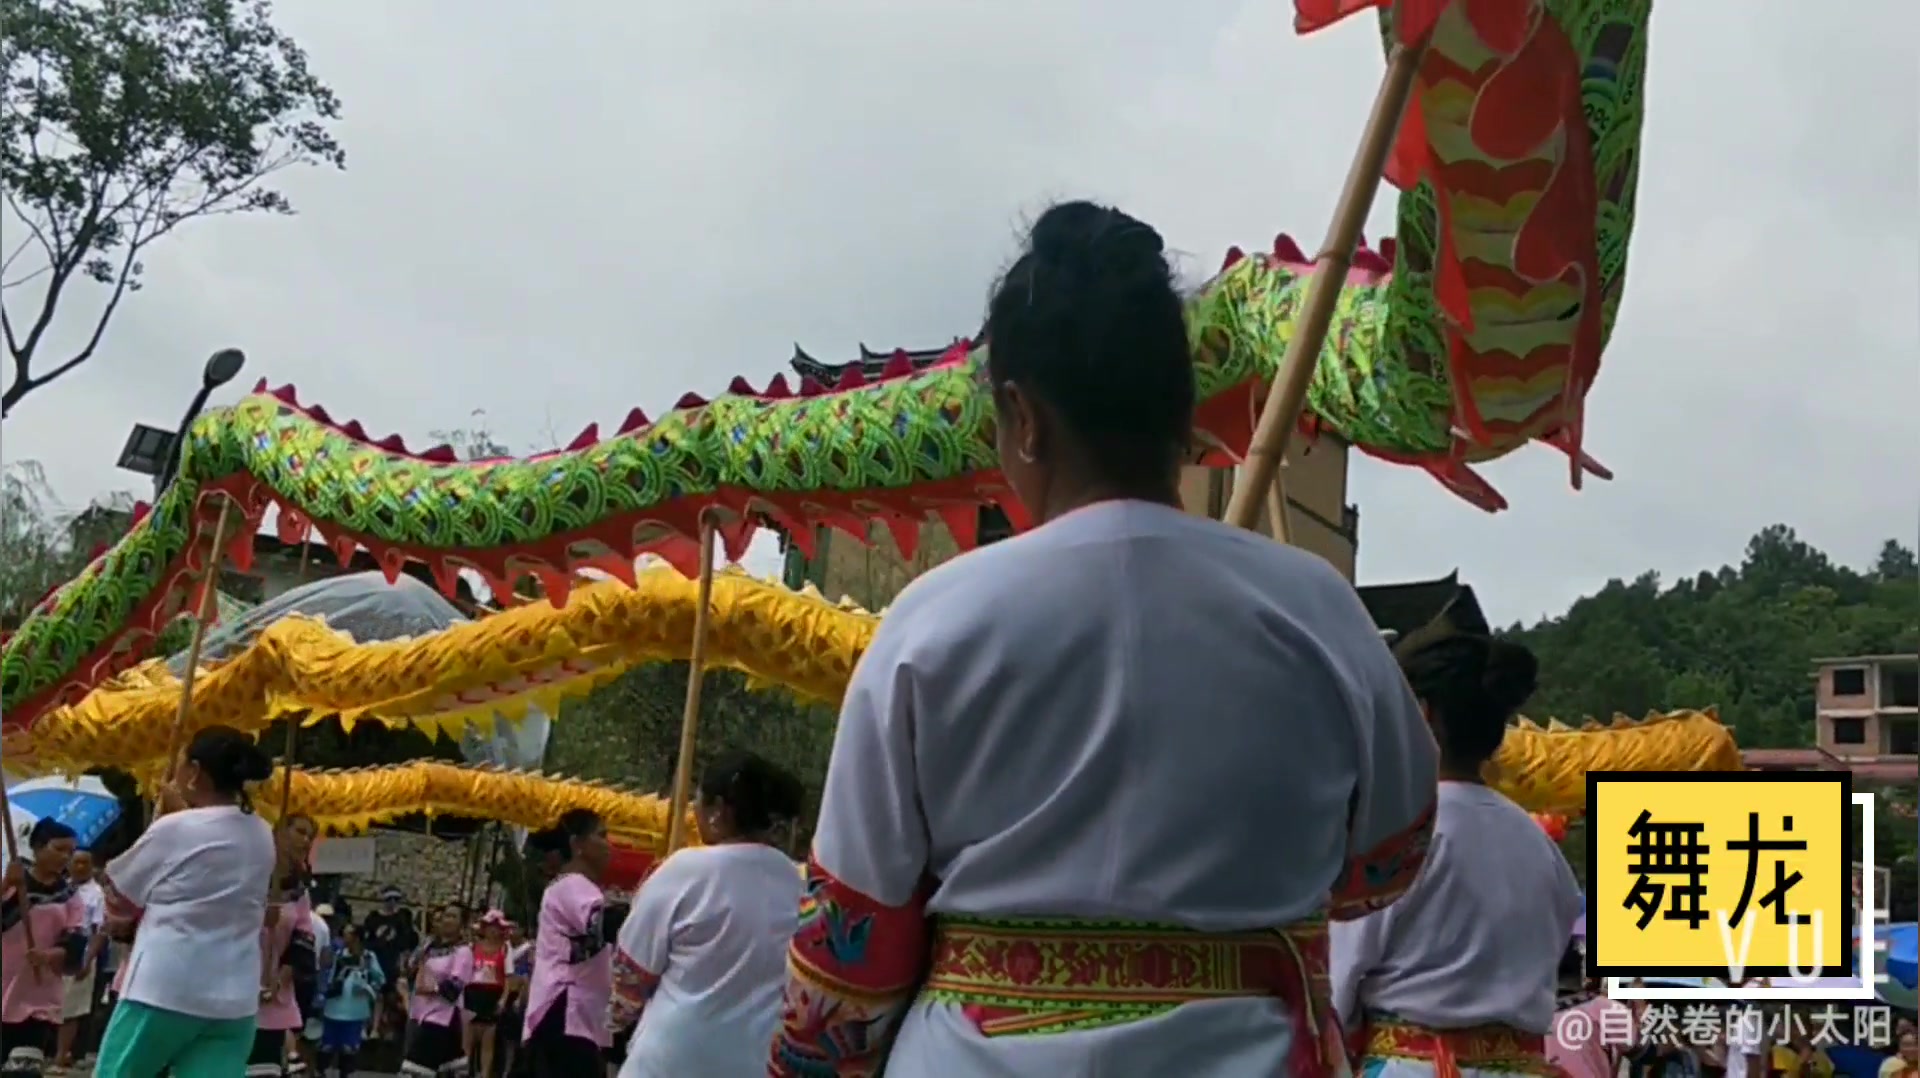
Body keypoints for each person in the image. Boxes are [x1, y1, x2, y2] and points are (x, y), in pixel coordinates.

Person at [765, 201, 1439, 1076]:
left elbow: (851, 950)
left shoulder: (932, 624)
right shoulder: (1319, 608)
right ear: (1182, 407)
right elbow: (1389, 859)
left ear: (1023, 414)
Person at [1330, 625, 1580, 1078]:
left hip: (1415, 1066)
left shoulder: (1400, 831)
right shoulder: (1541, 846)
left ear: (1421, 716)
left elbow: (1337, 983)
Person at [92, 724, 279, 1077]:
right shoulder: (263, 833)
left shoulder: (175, 829)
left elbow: (120, 894)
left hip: (165, 985)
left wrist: (168, 819)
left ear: (194, 772)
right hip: (234, 995)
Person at [610, 751, 806, 1076]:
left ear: (719, 810)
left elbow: (630, 981)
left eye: (697, 800)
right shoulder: (800, 888)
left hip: (671, 1060)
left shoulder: (684, 871)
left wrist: (616, 1019)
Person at [522, 810, 614, 1076]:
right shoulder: (572, 885)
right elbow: (604, 922)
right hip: (565, 1012)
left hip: (572, 1017)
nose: (609, 845)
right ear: (577, 845)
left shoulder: (575, 888)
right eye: (602, 836)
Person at [2, 819, 86, 1076]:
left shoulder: (70, 896)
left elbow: (76, 941)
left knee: (23, 1071)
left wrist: (49, 956)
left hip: (39, 994)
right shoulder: (15, 885)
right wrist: (7, 884)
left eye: (70, 852)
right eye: (59, 849)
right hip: (5, 982)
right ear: (37, 848)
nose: (65, 857)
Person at [250, 815, 318, 1077]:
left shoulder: (300, 892)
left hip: (271, 996)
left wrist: (282, 974)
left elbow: (303, 939)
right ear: (279, 831)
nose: (305, 840)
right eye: (299, 831)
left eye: (309, 835)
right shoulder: (248, 873)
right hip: (233, 985)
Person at [399, 905, 471, 1078]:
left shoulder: (463, 952)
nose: (447, 920)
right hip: (420, 1013)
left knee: (414, 1069)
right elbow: (409, 970)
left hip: (442, 1017)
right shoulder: (429, 947)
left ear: (462, 924)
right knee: (450, 1069)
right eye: (445, 916)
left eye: (453, 917)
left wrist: (434, 986)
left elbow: (454, 990)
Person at [52, 848, 107, 1073]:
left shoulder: (96, 894)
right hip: (55, 947)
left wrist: (88, 959)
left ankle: (61, 1055)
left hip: (80, 948)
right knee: (51, 1003)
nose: (81, 867)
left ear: (92, 866)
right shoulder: (60, 888)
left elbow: (99, 931)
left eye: (86, 863)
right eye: (77, 862)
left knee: (71, 1008)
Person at [318, 925, 384, 1078]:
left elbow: (379, 979)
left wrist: (368, 986)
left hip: (356, 1010)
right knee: (326, 1046)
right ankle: (321, 1070)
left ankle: (346, 1073)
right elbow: (324, 971)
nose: (343, 937)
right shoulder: (337, 953)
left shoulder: (368, 957)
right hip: (333, 1007)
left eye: (347, 934)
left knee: (348, 1048)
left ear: (356, 937)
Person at [363, 887, 417, 1043]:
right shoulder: (374, 918)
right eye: (389, 899)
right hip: (376, 959)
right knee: (375, 994)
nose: (392, 903)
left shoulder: (402, 918)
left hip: (393, 960)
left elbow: (407, 942)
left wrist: (404, 962)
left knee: (392, 996)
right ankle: (372, 1026)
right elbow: (368, 940)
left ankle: (387, 1028)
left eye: (395, 899)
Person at [463, 910, 512, 1078]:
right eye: (490, 927)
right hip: (472, 993)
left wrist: (503, 1001)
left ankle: (485, 1074)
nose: (493, 931)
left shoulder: (505, 949)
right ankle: (465, 1072)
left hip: (492, 995)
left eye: (497, 927)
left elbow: (508, 978)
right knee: (468, 1039)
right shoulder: (472, 947)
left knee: (488, 1040)